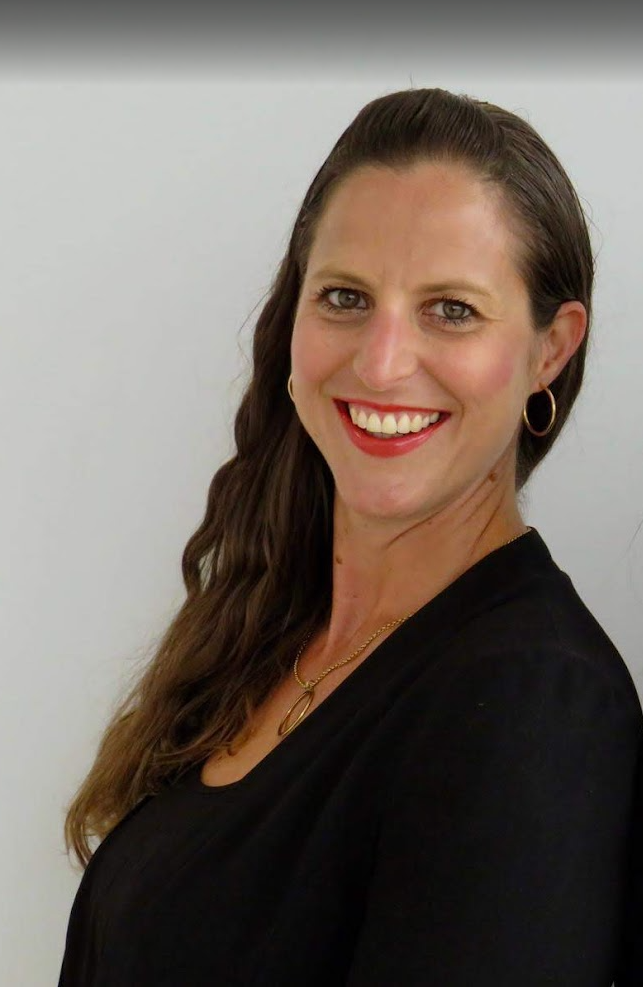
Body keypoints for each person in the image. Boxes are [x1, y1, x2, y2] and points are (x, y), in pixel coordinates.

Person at [57, 87, 643, 985]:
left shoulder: (534, 706)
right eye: (344, 297)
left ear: (550, 349)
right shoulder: (269, 632)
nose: (378, 362)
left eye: (450, 308)